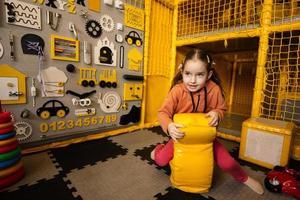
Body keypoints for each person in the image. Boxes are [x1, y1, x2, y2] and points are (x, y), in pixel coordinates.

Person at [151, 48, 264, 195]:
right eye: (187, 74)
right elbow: (162, 113)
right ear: (181, 71)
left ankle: (244, 178)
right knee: (160, 160)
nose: (192, 80)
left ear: (209, 74)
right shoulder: (177, 90)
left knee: (228, 162)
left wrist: (217, 113)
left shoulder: (213, 89)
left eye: (199, 75)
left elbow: (221, 109)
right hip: (181, 137)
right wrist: (169, 126)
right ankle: (158, 148)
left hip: (206, 138)